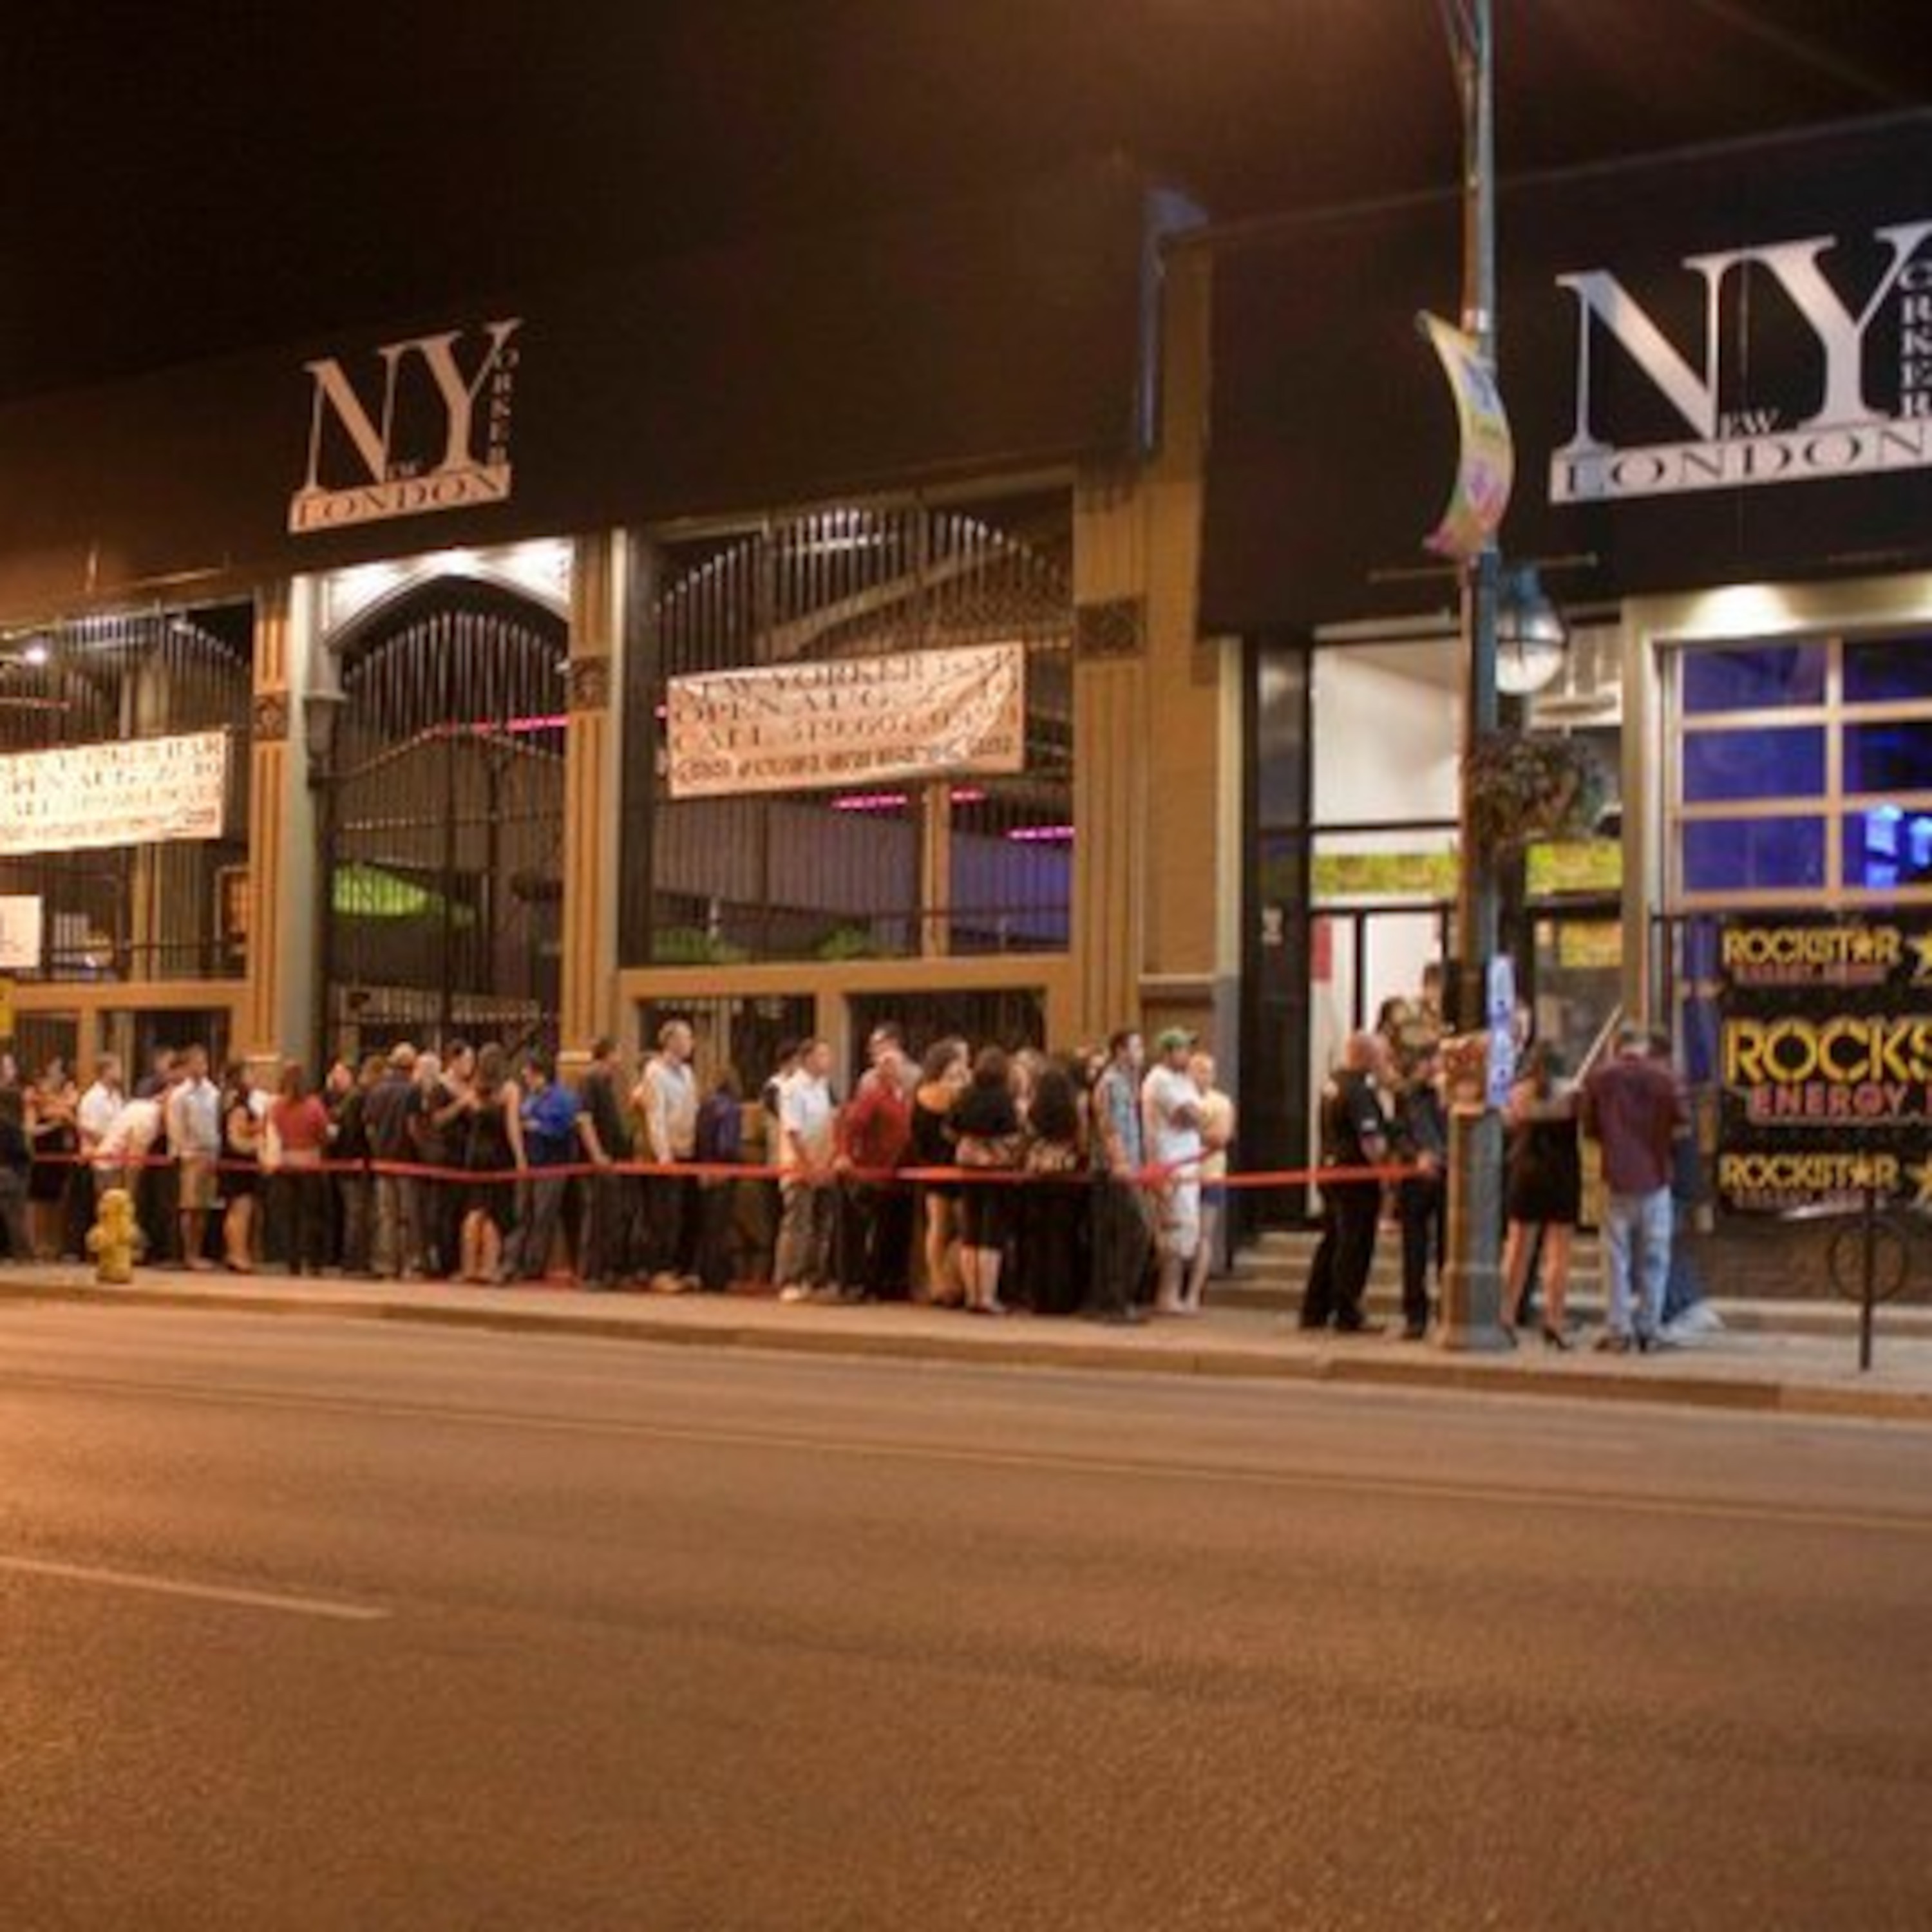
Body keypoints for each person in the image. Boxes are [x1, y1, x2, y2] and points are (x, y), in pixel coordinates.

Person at [1581, 1023, 1689, 1353]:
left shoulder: (1599, 1079)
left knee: (1615, 1258)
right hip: (1655, 1177)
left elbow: (1589, 1128)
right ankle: (1649, 1329)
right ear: (1644, 1047)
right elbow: (1683, 1123)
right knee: (1655, 1258)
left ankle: (1618, 1329)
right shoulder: (1666, 1079)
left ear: (1617, 1046)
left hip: (1615, 1178)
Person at [1299, 1032, 1390, 1334]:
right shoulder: (1359, 1090)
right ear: (1367, 1056)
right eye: (1381, 1056)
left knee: (1332, 1241)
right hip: (1355, 1178)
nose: (1384, 1062)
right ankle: (1347, 1311)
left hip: (1330, 1172)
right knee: (1355, 1244)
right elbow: (1371, 1141)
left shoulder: (1333, 1084)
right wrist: (1385, 1170)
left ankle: (1314, 1309)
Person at [1501, 1042, 1582, 1349]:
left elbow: (1509, 1123)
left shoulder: (1518, 1093)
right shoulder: (1572, 1093)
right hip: (1562, 1173)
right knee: (1558, 1254)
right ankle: (1554, 1321)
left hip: (1526, 1172)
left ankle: (1505, 1316)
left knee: (1517, 1251)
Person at [837, 1036, 914, 1302]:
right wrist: (845, 1154)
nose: (896, 1070)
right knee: (875, 1232)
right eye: (889, 1064)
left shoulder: (903, 1097)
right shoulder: (872, 1097)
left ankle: (891, 1283)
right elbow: (852, 1126)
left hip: (898, 1173)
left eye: (898, 1064)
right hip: (875, 1173)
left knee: (894, 1232)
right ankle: (868, 1283)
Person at [952, 1046, 1023, 1316]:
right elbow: (1012, 1132)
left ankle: (972, 1295)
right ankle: (988, 1296)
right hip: (995, 1166)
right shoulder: (1003, 1098)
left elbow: (950, 1126)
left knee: (970, 1231)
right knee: (991, 1233)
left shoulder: (965, 1094)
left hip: (967, 1162)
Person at [1087, 1030, 1151, 1324]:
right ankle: (1117, 1300)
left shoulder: (1126, 1083)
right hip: (1115, 1170)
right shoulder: (1112, 1083)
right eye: (1137, 1047)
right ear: (1121, 1051)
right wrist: (1121, 1162)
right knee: (1130, 1233)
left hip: (1126, 1167)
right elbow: (1109, 1126)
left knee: (1123, 1235)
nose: (1142, 1053)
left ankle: (1118, 1300)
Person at [1142, 1028, 1204, 1316]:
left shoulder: (1183, 1080)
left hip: (1187, 1162)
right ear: (1167, 1052)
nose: (1188, 1055)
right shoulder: (1160, 1080)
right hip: (1171, 1162)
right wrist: (1197, 1114)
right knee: (1174, 1230)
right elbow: (1189, 1115)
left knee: (1186, 1230)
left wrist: (1198, 1114)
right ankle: (1166, 1294)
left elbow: (1199, 1114)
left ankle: (1174, 1293)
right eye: (1183, 1049)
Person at [636, 1020, 700, 1293]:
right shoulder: (655, 1072)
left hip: (687, 1150)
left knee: (684, 1213)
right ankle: (658, 1270)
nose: (691, 1043)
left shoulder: (687, 1072)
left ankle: (679, 1268)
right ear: (671, 1042)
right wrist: (664, 1155)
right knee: (662, 1214)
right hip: (666, 1154)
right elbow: (656, 1116)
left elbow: (693, 1108)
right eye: (686, 1037)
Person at [501, 1050, 577, 1282]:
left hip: (552, 1166)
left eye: (529, 1076)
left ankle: (533, 1265)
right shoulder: (530, 1099)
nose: (526, 1080)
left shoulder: (563, 1099)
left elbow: (564, 1127)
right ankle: (513, 1261)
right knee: (522, 1214)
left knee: (543, 1216)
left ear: (541, 1075)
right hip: (530, 1164)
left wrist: (538, 1127)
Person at [1018, 1060, 1086, 1315]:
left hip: (1037, 1174)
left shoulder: (1032, 1112)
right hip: (1066, 1176)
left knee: (1038, 1238)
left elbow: (1025, 1140)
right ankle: (1062, 1298)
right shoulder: (1073, 1112)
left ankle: (1039, 1298)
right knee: (1064, 1239)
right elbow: (1082, 1143)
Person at [774, 1039, 838, 1302]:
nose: (828, 1061)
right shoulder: (792, 1089)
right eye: (823, 1055)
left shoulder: (824, 1087)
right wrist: (807, 1165)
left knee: (821, 1226)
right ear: (808, 1059)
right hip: (800, 1167)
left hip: (825, 1166)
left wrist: (828, 1162)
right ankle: (789, 1279)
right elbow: (793, 1131)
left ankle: (813, 1277)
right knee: (798, 1225)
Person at [1392, 1042, 1448, 1340]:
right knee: (1414, 1250)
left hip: (1448, 1177)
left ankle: (1448, 1310)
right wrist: (1416, 1156)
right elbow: (1399, 1133)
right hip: (1416, 1179)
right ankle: (1415, 1315)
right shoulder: (1407, 1095)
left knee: (1447, 1249)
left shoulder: (1452, 1096)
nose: (1434, 1068)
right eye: (1431, 1061)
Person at [908, 1037, 969, 1307]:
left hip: (930, 1168)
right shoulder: (957, 1098)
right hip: (955, 1168)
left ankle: (937, 1282)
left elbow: (916, 1135)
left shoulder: (919, 1096)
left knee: (937, 1228)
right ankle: (952, 1281)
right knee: (958, 1227)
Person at [576, 1036, 634, 1289]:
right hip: (600, 1161)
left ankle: (607, 1270)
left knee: (611, 1216)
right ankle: (592, 1273)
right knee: (597, 1216)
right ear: (609, 1054)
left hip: (613, 1159)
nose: (621, 1059)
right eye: (618, 1053)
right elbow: (585, 1119)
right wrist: (597, 1153)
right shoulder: (590, 1079)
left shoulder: (608, 1082)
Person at [460, 1043, 520, 1284]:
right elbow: (512, 1127)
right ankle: (489, 1267)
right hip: (498, 1154)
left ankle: (469, 1267)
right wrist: (521, 1158)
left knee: (474, 1210)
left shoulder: (473, 1090)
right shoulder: (509, 1089)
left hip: (474, 1155)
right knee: (495, 1212)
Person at [365, 1044, 423, 1279]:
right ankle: (408, 1263)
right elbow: (412, 1127)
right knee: (407, 1216)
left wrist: (377, 1149)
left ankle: (386, 1264)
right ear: (412, 1067)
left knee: (386, 1216)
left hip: (382, 1161)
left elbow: (369, 1127)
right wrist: (422, 1150)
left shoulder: (377, 1090)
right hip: (406, 1160)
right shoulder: (413, 1091)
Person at [269, 1062, 332, 1276]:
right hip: (310, 1163)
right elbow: (324, 1134)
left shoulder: (277, 1107)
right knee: (312, 1215)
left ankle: (293, 1262)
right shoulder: (314, 1105)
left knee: (290, 1216)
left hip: (286, 1164)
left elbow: (273, 1131)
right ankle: (313, 1262)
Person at [1185, 1050, 1236, 1315]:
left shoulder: (1221, 1103)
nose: (1203, 1076)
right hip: (1183, 1175)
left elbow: (1221, 1137)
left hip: (1210, 1175)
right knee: (1180, 1233)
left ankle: (1194, 1293)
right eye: (1198, 1070)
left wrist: (1193, 1132)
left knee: (1204, 1235)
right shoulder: (1182, 1099)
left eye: (1208, 1071)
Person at [166, 1045, 222, 1271]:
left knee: (204, 1208)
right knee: (189, 1207)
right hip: (190, 1154)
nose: (201, 1067)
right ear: (188, 1066)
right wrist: (182, 1152)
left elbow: (217, 1124)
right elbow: (175, 1127)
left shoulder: (214, 1092)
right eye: (196, 1063)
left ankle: (198, 1252)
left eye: (204, 1062)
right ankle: (188, 1254)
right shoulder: (180, 1095)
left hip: (210, 1153)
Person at [693, 1068, 744, 1293]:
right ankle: (718, 1278)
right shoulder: (731, 1108)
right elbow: (727, 1145)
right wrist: (733, 1164)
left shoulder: (705, 1106)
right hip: (723, 1170)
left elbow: (700, 1139)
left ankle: (705, 1274)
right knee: (721, 1226)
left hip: (704, 1168)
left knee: (707, 1225)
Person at [25, 1056, 79, 1261]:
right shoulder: (34, 1103)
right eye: (46, 1081)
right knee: (38, 1203)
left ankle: (54, 1245)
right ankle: (37, 1245)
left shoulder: (60, 1100)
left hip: (60, 1158)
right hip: (42, 1157)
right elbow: (31, 1130)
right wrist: (52, 1125)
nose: (49, 1084)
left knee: (57, 1202)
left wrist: (62, 1113)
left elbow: (71, 1116)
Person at [220, 1061, 263, 1272]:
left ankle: (236, 1253)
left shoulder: (233, 1102)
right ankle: (237, 1254)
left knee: (238, 1209)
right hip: (239, 1162)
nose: (254, 1077)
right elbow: (236, 1139)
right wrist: (258, 1143)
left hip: (239, 1162)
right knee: (240, 1210)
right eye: (249, 1073)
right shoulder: (238, 1106)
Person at [0, 1085, 33, 1260]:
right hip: (11, 1173)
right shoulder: (12, 1126)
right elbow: (21, 1153)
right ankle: (23, 1255)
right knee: (16, 1217)